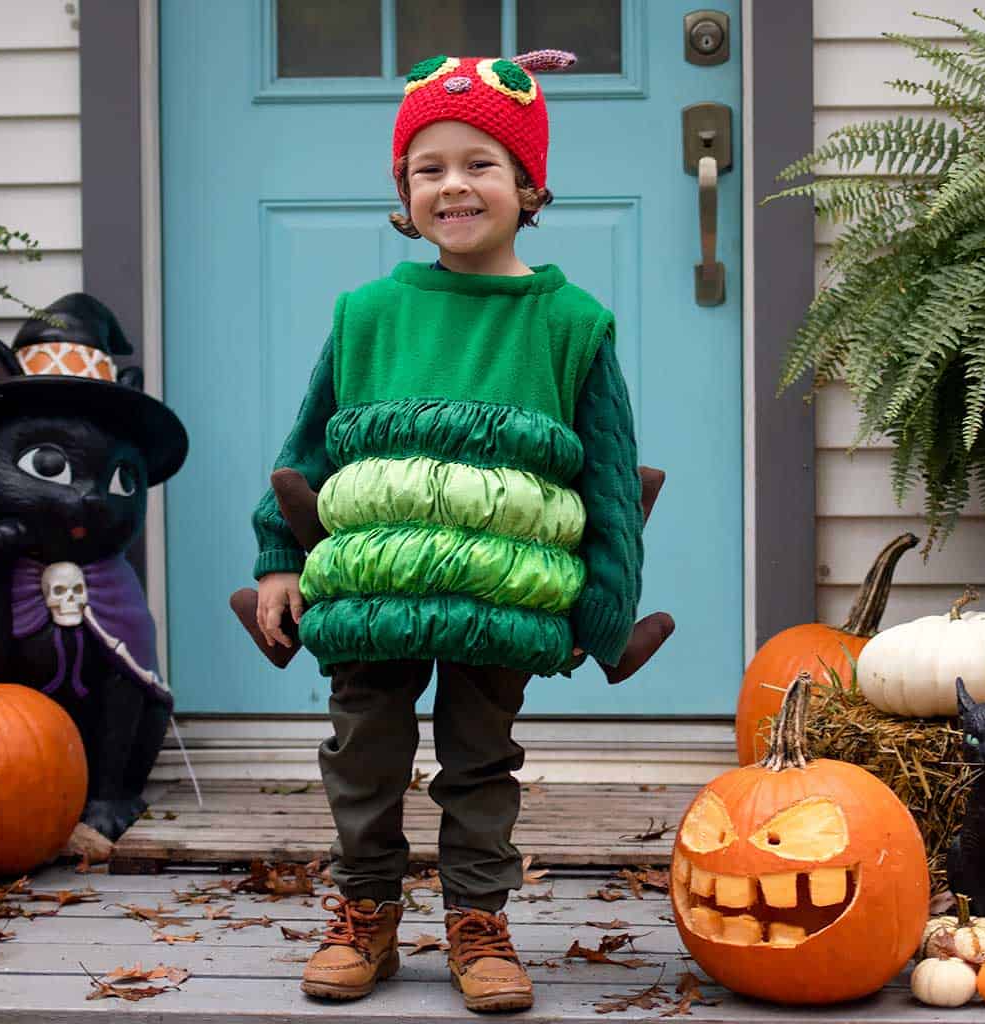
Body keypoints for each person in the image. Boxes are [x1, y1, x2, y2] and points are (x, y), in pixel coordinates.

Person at [249, 50, 667, 1013]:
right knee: (364, 747)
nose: (453, 186)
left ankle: (479, 921)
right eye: (427, 167)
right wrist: (279, 557)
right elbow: (308, 446)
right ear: (403, 192)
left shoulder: (571, 324)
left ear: (529, 184)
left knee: (481, 757)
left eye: (480, 163)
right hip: (371, 589)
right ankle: (367, 914)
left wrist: (601, 607)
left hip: (503, 599)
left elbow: (605, 470)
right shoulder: (369, 314)